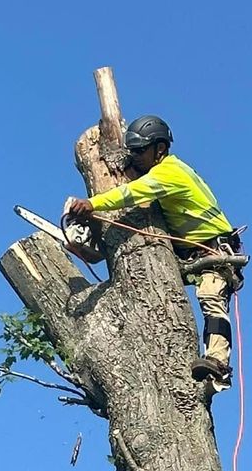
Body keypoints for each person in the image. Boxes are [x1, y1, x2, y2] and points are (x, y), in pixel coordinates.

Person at [67, 115, 243, 390]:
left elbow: (132, 193)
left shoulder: (169, 173)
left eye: (139, 151)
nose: (134, 157)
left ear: (159, 149)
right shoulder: (161, 171)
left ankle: (218, 363)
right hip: (188, 252)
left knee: (210, 295)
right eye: (131, 151)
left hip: (213, 250)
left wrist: (92, 203)